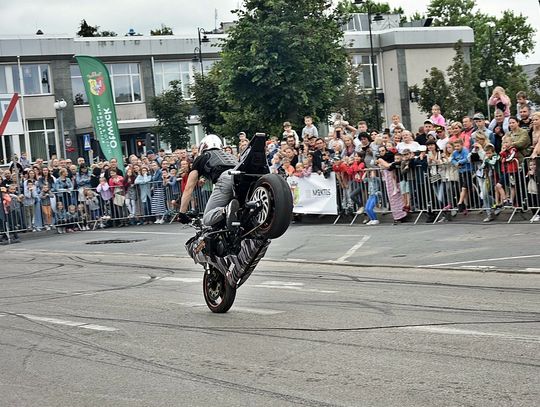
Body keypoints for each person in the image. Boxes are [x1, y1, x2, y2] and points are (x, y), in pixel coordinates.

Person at [178, 134, 240, 227]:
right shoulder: (231, 156)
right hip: (241, 178)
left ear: (203, 147)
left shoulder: (202, 157)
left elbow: (188, 188)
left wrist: (182, 213)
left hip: (226, 179)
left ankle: (226, 210)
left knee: (207, 218)